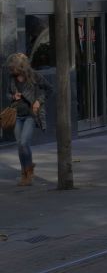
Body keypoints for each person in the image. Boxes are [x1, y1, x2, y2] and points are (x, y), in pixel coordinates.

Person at [6, 52, 52, 187]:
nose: (12, 70)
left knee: (24, 142)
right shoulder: (12, 78)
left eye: (13, 67)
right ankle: (25, 173)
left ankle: (28, 171)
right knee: (20, 145)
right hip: (17, 115)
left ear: (21, 66)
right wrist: (13, 96)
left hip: (31, 115)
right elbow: (7, 93)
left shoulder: (34, 76)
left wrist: (38, 101)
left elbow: (49, 89)